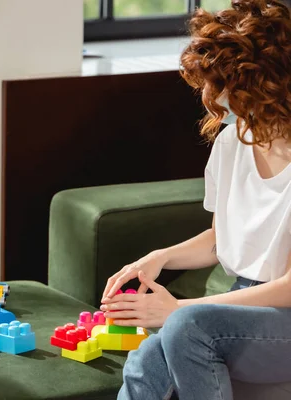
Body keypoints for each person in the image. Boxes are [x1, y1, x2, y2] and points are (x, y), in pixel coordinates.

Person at [98, 1, 291, 399]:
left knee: (188, 327)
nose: (207, 94)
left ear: (261, 82)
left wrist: (179, 311)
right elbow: (220, 239)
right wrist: (161, 256)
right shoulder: (230, 144)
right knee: (146, 357)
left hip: (282, 315)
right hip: (242, 300)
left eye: (219, 82)